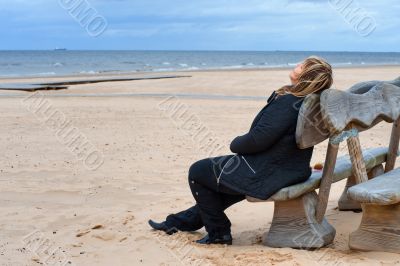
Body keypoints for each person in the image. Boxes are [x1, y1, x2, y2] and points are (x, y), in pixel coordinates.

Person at [149, 56, 333, 245]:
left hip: (268, 172)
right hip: (292, 168)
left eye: (303, 65)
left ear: (307, 77)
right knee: (223, 184)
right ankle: (180, 222)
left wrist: (235, 144)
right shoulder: (309, 102)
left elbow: (258, 139)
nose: (298, 64)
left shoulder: (289, 103)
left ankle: (219, 233)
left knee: (198, 171)